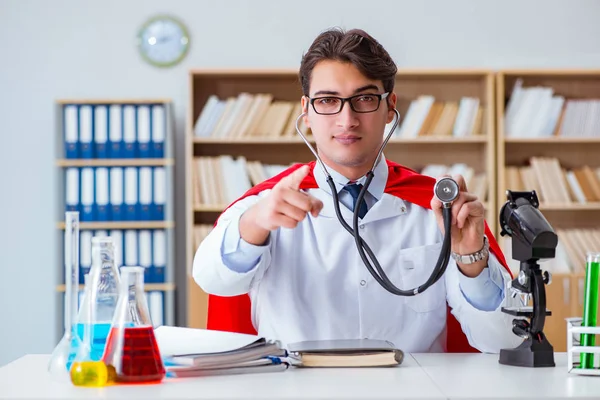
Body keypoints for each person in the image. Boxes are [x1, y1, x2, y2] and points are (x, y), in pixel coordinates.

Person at [193, 27, 522, 353]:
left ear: (390, 106)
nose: (346, 119)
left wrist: (471, 259)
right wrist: (253, 225)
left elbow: (506, 339)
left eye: (364, 99)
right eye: (328, 101)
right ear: (306, 112)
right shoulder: (265, 206)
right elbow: (212, 280)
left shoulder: (438, 208)